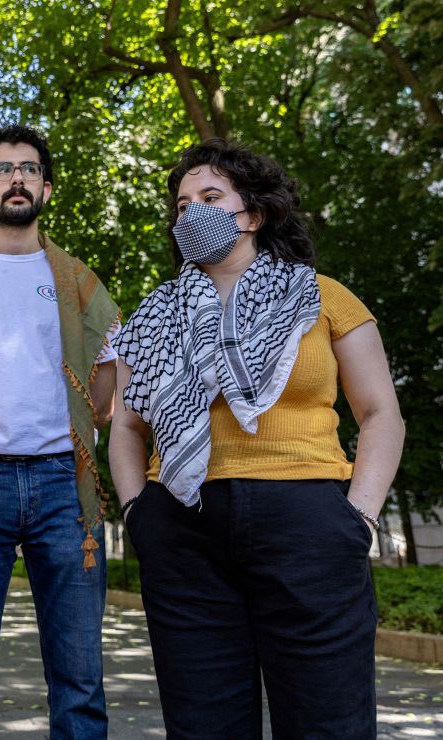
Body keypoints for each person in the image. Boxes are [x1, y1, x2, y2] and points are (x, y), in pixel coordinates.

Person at [109, 138, 404, 738]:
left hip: (309, 527)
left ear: (255, 213)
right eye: (184, 204)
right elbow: (126, 426)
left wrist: (361, 519)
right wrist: (139, 511)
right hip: (184, 530)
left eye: (211, 197)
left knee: (330, 725)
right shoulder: (153, 316)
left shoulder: (323, 297)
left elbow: (381, 416)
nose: (193, 212)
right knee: (203, 727)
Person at [0, 125, 120, 739]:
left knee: (79, 674)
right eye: (2, 168)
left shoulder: (78, 281)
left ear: (46, 187)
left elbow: (106, 394)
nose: (17, 178)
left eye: (29, 168)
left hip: (62, 492)